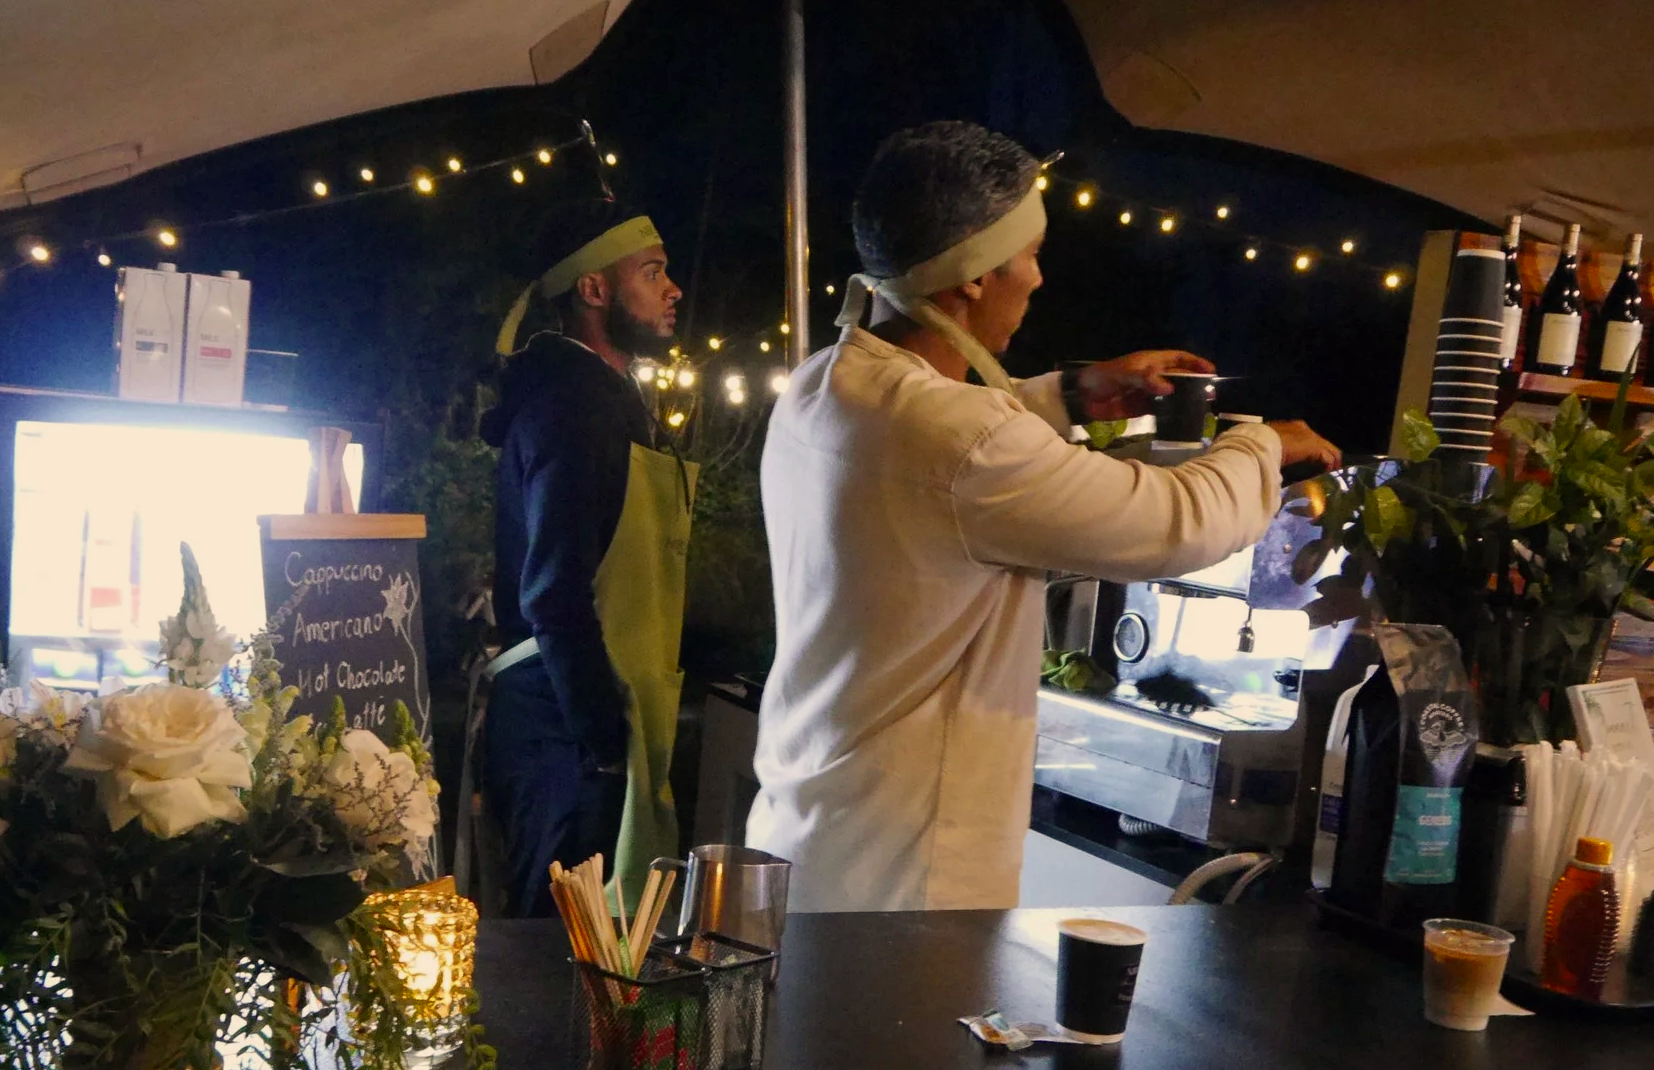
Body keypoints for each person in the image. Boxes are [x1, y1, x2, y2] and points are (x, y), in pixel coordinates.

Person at [747, 121, 1341, 913]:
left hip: (814, 839)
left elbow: (938, 454)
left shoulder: (826, 384)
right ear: (972, 279)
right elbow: (1177, 521)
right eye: (1029, 255)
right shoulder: (963, 444)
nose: (1038, 278)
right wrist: (1261, 444)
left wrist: (1069, 393)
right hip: (909, 881)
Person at [473, 199, 694, 917]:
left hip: (575, 706)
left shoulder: (601, 395)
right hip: (560, 717)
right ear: (594, 290)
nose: (673, 289)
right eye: (652, 272)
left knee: (599, 944)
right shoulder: (574, 405)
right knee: (561, 951)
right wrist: (603, 740)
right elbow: (554, 593)